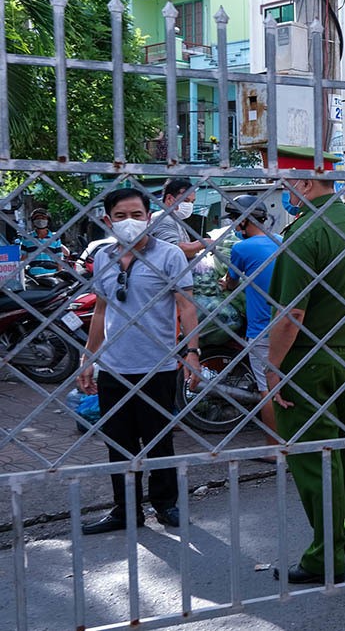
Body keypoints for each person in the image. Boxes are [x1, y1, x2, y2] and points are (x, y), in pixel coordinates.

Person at [266, 175, 345, 585]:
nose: (284, 192)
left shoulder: (306, 233)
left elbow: (292, 315)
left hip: (306, 359)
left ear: (304, 184)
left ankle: (325, 557)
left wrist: (272, 368)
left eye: (287, 184)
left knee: (315, 458)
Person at [76, 188, 201, 534]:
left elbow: (186, 306)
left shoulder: (170, 255)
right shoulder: (104, 258)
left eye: (136, 215)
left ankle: (166, 505)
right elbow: (100, 311)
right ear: (107, 221)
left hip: (156, 366)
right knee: (118, 443)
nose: (129, 222)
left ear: (149, 217)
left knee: (159, 439)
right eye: (120, 216)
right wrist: (89, 357)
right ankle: (125, 510)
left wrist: (192, 353)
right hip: (114, 367)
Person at [220, 195, 281, 450]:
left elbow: (230, 281)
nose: (234, 227)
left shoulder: (241, 249)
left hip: (262, 329)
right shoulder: (282, 242)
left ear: (244, 221)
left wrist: (225, 283)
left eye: (235, 221)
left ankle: (272, 447)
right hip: (289, 326)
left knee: (267, 387)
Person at [149, 177, 204, 258]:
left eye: (192, 202)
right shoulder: (164, 219)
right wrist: (203, 243)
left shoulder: (175, 220)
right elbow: (174, 250)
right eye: (186, 200)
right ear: (169, 199)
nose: (190, 205)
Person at [17, 208, 68, 276]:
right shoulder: (27, 238)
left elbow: (59, 258)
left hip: (52, 274)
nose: (40, 220)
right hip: (33, 275)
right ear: (33, 221)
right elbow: (23, 258)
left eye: (43, 218)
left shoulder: (55, 238)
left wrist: (60, 273)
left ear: (48, 220)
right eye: (37, 218)